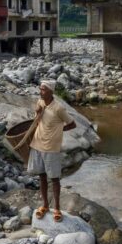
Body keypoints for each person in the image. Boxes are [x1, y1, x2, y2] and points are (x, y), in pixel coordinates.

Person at [27, 80, 76, 222]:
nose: (40, 91)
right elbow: (37, 121)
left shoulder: (58, 108)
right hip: (37, 144)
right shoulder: (40, 102)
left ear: (51, 91)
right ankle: (45, 206)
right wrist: (37, 113)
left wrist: (59, 131)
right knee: (41, 176)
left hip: (51, 147)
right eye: (40, 89)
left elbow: (72, 124)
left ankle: (57, 209)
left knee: (54, 179)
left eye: (43, 89)